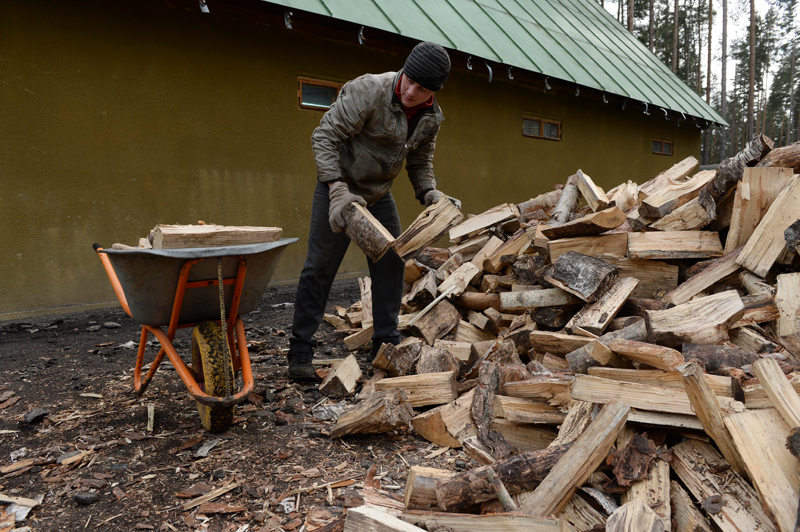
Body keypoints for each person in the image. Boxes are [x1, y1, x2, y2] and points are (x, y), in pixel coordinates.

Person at [287, 41, 461, 380]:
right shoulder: (368, 90)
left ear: (433, 93)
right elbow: (324, 137)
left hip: (379, 194)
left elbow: (421, 160)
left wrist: (428, 192)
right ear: (404, 70)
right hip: (338, 187)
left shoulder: (430, 117)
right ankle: (300, 351)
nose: (411, 91)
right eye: (409, 80)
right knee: (320, 267)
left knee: (392, 261)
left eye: (422, 88)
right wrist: (336, 187)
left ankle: (384, 342)